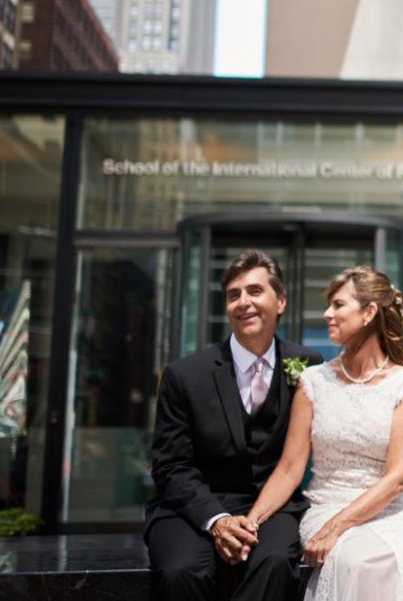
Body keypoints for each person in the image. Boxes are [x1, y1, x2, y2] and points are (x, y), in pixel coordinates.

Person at [248, 265, 403, 601]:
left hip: (397, 509)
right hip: (330, 503)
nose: (328, 314)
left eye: (338, 305)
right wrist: (251, 522)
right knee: (360, 561)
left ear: (369, 312)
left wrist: (336, 529)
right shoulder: (313, 382)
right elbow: (289, 468)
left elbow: (398, 477)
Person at [146, 250, 324, 600]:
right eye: (233, 295)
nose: (244, 302)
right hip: (192, 507)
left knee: (274, 561)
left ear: (281, 300)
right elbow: (170, 466)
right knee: (181, 571)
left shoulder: (308, 365)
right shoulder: (184, 375)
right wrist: (217, 520)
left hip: (273, 505)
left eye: (255, 291)